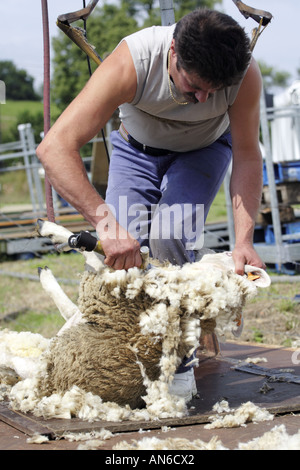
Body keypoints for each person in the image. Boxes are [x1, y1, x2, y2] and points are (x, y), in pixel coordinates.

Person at [36, 8, 266, 401]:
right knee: (121, 252)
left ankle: (179, 363)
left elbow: (247, 154)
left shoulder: (244, 76)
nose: (203, 99)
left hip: (205, 148)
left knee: (170, 235)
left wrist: (244, 241)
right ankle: (124, 357)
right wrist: (106, 225)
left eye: (214, 91)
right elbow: (54, 147)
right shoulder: (132, 62)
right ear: (173, 52)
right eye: (194, 87)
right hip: (136, 150)